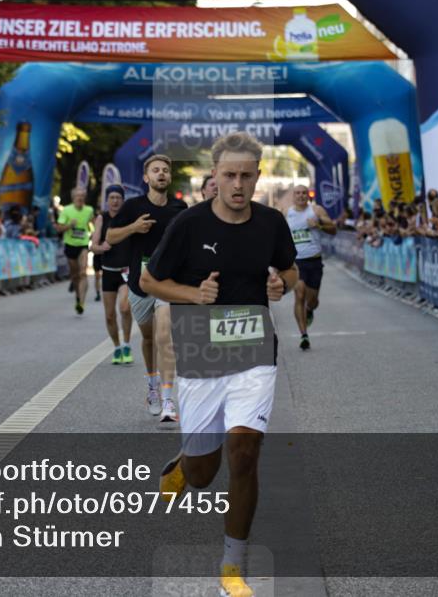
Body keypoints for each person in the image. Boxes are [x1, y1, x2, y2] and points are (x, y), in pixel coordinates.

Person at [142, 132, 298, 597]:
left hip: (254, 353)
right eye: (229, 175)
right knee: (202, 474)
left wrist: (280, 286)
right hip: (200, 355)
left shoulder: (271, 223)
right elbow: (150, 280)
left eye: (246, 175)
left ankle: (233, 564)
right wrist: (194, 295)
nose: (237, 184)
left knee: (245, 454)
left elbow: (289, 269)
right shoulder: (189, 225)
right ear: (214, 175)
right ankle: (181, 467)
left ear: (257, 176)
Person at [107, 154, 186, 420]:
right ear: (146, 177)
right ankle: (152, 384)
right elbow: (110, 237)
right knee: (150, 338)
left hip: (165, 280)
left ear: (169, 177)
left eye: (165, 170)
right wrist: (133, 227)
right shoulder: (132, 207)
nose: (161, 173)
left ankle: (167, 400)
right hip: (139, 281)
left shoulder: (180, 208)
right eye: (156, 170)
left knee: (165, 337)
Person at [284, 185, 336, 350]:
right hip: (296, 262)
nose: (301, 196)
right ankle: (304, 335)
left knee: (312, 300)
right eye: (297, 193)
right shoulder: (286, 212)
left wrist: (319, 225)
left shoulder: (316, 210)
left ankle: (309, 308)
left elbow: (333, 229)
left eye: (304, 193)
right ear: (293, 196)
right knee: (299, 294)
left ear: (308, 195)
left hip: (314, 261)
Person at [90, 185, 134, 365]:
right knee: (109, 315)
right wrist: (101, 247)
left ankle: (126, 344)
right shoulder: (102, 218)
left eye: (118, 198)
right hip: (108, 272)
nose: (115, 201)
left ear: (123, 200)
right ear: (107, 200)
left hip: (126, 271)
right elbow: (93, 246)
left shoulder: (129, 218)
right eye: (112, 198)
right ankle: (116, 347)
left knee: (124, 308)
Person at [55, 187, 96, 314]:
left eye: (82, 196)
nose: (80, 198)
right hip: (70, 245)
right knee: (75, 275)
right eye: (78, 196)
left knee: (83, 272)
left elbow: (92, 223)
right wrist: (69, 226)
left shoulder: (89, 210)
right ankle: (78, 297)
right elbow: (58, 228)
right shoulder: (66, 210)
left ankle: (81, 303)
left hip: (83, 244)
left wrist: (94, 233)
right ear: (73, 198)